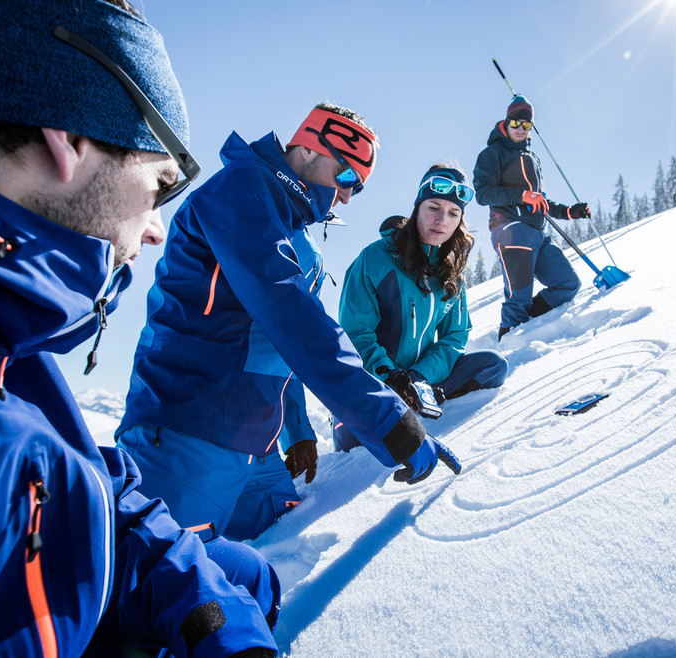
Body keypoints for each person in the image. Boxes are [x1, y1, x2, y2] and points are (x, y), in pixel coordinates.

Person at [0, 1, 286, 657]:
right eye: (159, 185)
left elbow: (91, 486)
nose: (156, 229)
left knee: (246, 576)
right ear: (70, 138)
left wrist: (206, 610)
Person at [115, 104, 461, 543]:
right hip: (188, 433)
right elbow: (291, 315)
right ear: (310, 148)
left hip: (256, 449)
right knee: (157, 575)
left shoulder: (294, 229)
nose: (347, 196)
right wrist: (391, 424)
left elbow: (281, 344)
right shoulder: (241, 190)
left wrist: (296, 429)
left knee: (279, 566)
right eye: (346, 176)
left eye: (358, 186)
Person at [333, 165, 510, 451]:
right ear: (418, 208)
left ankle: (420, 405)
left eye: (453, 214)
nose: (442, 221)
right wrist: (393, 378)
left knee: (493, 366)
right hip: (375, 383)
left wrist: (420, 377)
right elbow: (356, 334)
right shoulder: (375, 259)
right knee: (358, 444)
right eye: (434, 208)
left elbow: (455, 336)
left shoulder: (451, 272)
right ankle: (387, 412)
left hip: (418, 380)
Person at [473, 94, 592, 340]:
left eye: (526, 124)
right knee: (518, 299)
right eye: (516, 123)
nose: (521, 128)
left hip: (538, 233)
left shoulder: (532, 158)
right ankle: (508, 347)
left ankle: (526, 327)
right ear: (506, 122)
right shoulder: (493, 153)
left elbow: (539, 201)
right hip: (512, 229)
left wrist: (570, 212)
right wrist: (522, 195)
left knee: (568, 284)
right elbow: (483, 193)